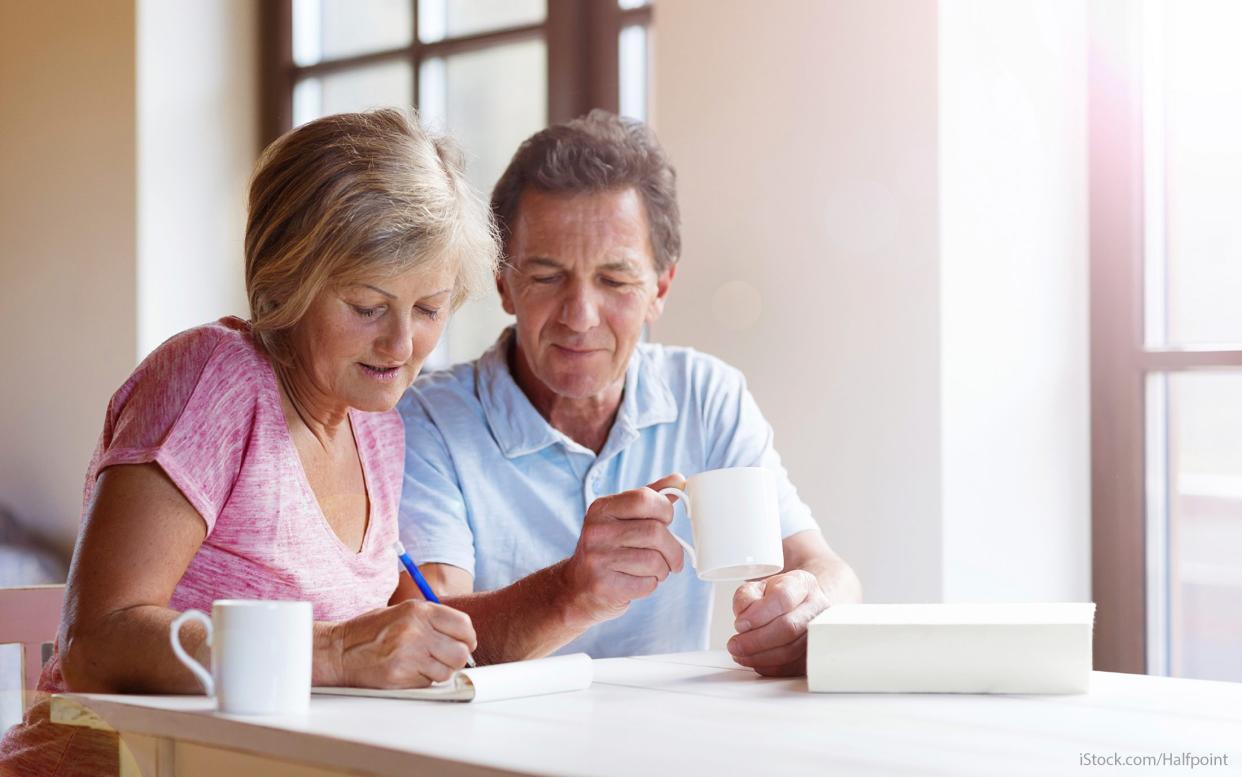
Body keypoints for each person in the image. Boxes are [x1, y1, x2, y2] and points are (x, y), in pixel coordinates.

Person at [0, 107, 497, 776]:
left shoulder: (378, 424)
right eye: (366, 305)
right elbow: (97, 640)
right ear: (287, 278)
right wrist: (340, 652)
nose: (402, 344)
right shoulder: (215, 377)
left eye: (429, 308)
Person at [397, 110, 861, 676]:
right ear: (504, 283)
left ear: (660, 288)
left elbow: (828, 569)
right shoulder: (429, 418)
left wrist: (809, 609)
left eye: (615, 280)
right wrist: (571, 592)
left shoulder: (705, 395)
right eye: (546, 276)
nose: (580, 316)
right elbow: (428, 629)